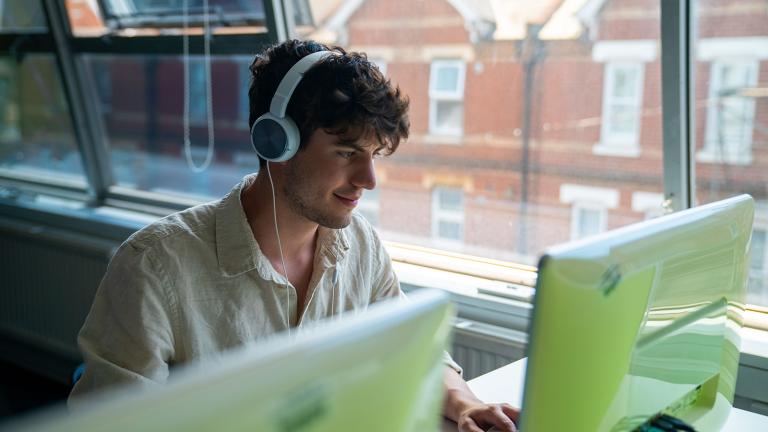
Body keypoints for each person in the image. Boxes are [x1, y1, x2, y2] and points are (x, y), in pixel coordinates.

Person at [69, 39, 518, 432]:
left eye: (375, 155)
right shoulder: (155, 266)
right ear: (275, 142)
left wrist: (466, 405)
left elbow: (416, 351)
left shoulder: (360, 245)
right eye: (346, 152)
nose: (369, 179)